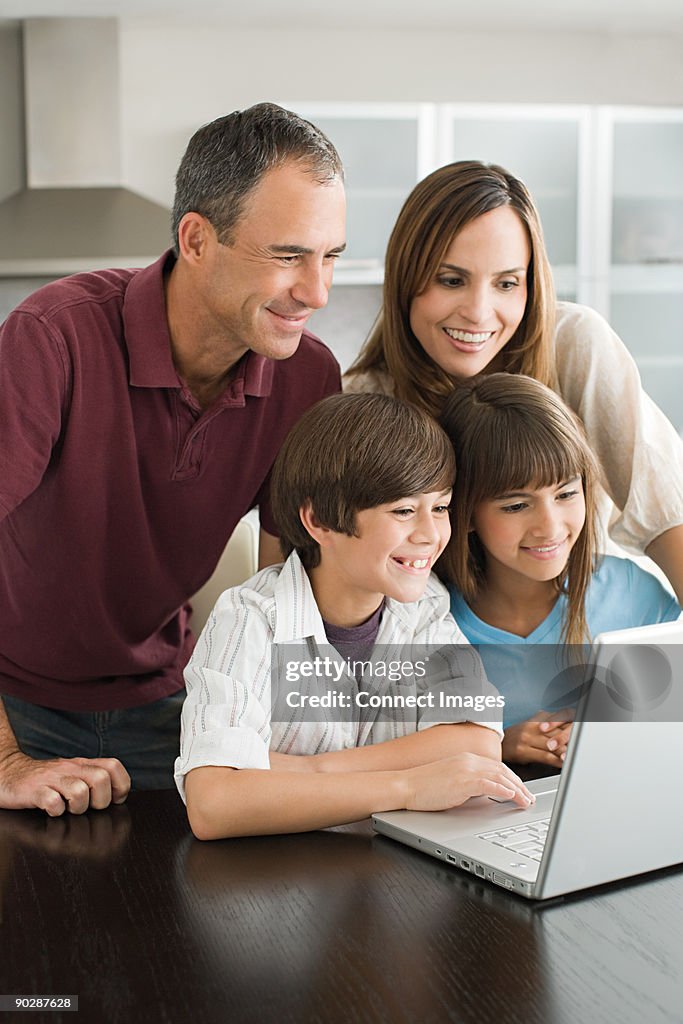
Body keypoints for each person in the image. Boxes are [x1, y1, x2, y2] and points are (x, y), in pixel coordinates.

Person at [0, 102, 346, 815]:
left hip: (171, 703)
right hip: (14, 709)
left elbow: (291, 577)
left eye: (329, 256)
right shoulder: (52, 338)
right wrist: (4, 761)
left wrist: (276, 728)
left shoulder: (309, 377)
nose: (316, 292)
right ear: (195, 239)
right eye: (287, 256)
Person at [175, 392, 534, 838]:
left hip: (385, 878)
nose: (430, 534)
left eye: (440, 507)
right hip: (271, 882)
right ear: (320, 522)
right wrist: (408, 785)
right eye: (404, 510)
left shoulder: (424, 609)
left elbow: (477, 744)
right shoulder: (249, 618)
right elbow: (214, 805)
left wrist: (307, 772)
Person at [344, 160, 683, 604]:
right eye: (451, 280)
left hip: (574, 622)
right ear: (406, 279)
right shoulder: (368, 399)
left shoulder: (575, 343)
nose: (479, 312)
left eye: (506, 283)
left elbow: (663, 508)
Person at [438, 373, 681, 769]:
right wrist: (498, 745)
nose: (550, 527)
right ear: (464, 513)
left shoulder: (634, 596)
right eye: (516, 506)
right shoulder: (431, 622)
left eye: (566, 494)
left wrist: (615, 727)